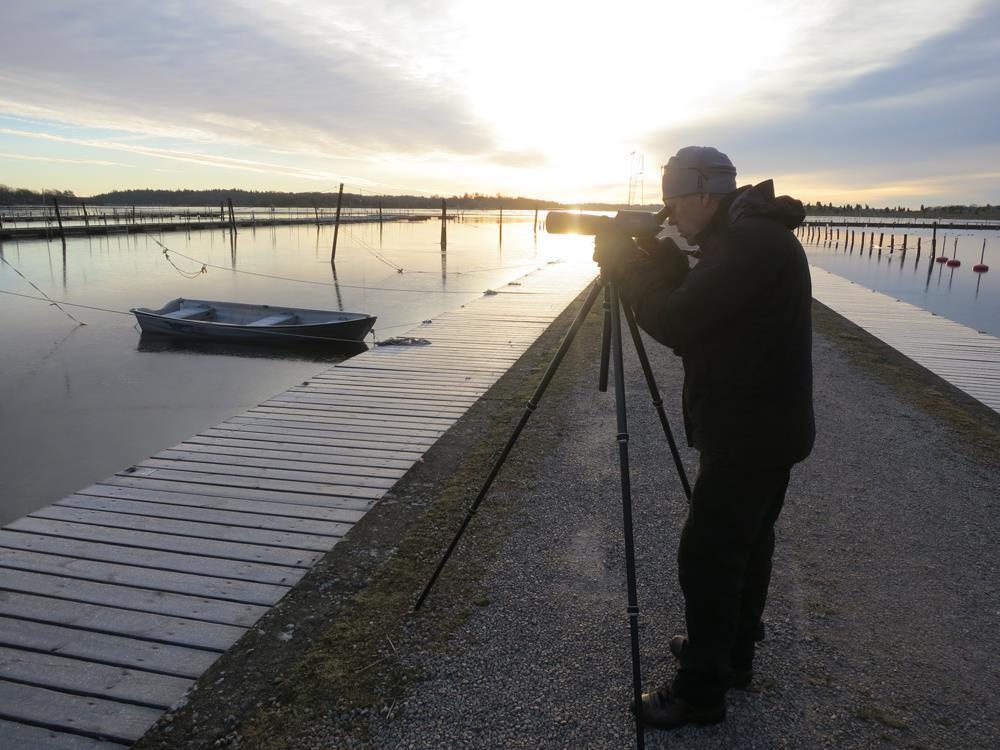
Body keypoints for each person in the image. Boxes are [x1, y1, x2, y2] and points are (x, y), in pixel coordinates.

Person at [594, 146, 815, 730]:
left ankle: (700, 692)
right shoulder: (748, 235)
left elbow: (682, 321)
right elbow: (712, 303)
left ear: (701, 195)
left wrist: (630, 269)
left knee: (709, 555)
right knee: (747, 543)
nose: (668, 214)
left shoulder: (749, 243)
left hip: (749, 429)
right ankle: (730, 654)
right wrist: (662, 262)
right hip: (766, 424)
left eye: (672, 202)